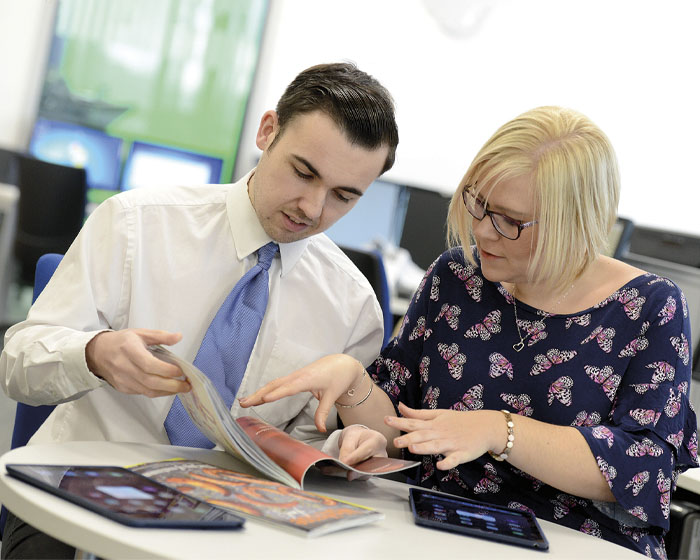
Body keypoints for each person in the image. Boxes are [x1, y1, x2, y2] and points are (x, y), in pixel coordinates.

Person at [241, 106, 699, 558]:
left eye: (510, 221)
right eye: (478, 203)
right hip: (433, 530)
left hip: (579, 544)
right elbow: (398, 425)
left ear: (573, 225)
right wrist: (354, 385)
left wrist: (499, 431)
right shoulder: (457, 277)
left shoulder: (651, 307)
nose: (482, 230)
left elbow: (641, 468)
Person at [0, 62, 398, 558]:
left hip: (227, 526)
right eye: (303, 173)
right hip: (80, 494)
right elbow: (17, 364)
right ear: (267, 131)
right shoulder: (136, 223)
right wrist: (94, 354)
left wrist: (342, 452)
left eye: (344, 196)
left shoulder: (354, 306)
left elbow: (298, 452)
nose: (313, 209)